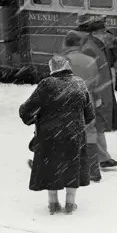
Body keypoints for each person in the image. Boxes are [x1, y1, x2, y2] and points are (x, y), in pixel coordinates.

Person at [19, 55, 94, 215]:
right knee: (71, 167)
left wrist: (32, 119)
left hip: (50, 135)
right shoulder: (79, 83)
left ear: (52, 68)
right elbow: (90, 114)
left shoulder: (47, 84)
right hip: (74, 134)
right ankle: (70, 204)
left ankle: (53, 203)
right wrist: (75, 123)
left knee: (52, 167)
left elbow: (26, 109)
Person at [77, 13, 117, 169]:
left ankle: (103, 158)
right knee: (95, 126)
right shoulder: (91, 48)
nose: (106, 35)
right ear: (96, 33)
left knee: (98, 126)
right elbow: (90, 74)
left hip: (101, 91)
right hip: (96, 93)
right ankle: (100, 158)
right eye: (104, 32)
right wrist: (96, 94)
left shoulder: (96, 45)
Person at [62, 31, 103, 183]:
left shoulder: (62, 61)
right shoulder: (90, 60)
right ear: (80, 44)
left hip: (66, 102)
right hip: (87, 100)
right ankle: (93, 171)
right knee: (90, 135)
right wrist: (97, 99)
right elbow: (96, 83)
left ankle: (67, 170)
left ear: (66, 44)